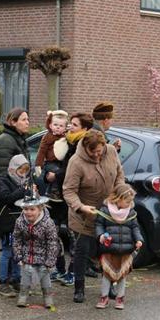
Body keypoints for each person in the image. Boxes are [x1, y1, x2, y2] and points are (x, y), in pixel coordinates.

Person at [63, 129, 125, 303]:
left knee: (108, 251)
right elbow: (69, 191)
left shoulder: (111, 151)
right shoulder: (76, 162)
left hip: (108, 213)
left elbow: (119, 174)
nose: (97, 155)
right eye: (93, 152)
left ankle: (109, 286)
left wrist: (119, 193)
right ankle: (79, 288)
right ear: (86, 148)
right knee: (82, 252)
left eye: (100, 150)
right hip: (84, 216)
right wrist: (81, 207)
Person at [51, 112, 94, 287]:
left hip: (74, 198)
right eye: (71, 123)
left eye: (75, 125)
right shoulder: (69, 141)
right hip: (59, 196)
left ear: (85, 128)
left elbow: (72, 170)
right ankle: (60, 269)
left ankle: (72, 272)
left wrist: (55, 175)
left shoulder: (83, 145)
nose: (70, 127)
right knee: (54, 234)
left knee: (74, 237)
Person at [94, 184, 143, 310]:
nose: (129, 203)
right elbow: (99, 224)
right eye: (127, 201)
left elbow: (135, 228)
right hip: (108, 248)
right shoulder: (105, 210)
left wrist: (139, 239)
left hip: (125, 249)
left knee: (122, 275)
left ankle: (120, 298)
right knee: (106, 274)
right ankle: (104, 297)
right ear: (118, 198)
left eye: (131, 201)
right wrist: (100, 235)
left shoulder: (131, 212)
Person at [12, 193, 60, 308]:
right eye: (26, 209)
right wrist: (18, 255)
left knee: (45, 279)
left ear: (40, 209)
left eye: (32, 209)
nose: (28, 212)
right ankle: (22, 297)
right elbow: (16, 239)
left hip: (43, 257)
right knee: (25, 278)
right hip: (26, 255)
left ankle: (48, 298)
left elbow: (52, 242)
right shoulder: (20, 221)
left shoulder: (48, 223)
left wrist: (50, 261)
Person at [0, 154, 31, 297]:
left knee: (18, 252)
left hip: (21, 222)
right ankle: (3, 282)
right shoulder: (3, 180)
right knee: (7, 252)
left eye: (25, 171)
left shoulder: (24, 182)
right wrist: (22, 191)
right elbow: (6, 198)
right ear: (13, 169)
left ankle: (16, 279)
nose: (23, 174)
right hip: (8, 222)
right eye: (21, 171)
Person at [35, 110, 69, 201]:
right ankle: (54, 192)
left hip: (61, 163)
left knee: (59, 173)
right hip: (50, 163)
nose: (58, 127)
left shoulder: (66, 137)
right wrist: (38, 164)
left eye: (61, 126)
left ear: (65, 128)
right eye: (55, 125)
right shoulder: (47, 137)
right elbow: (41, 151)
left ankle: (49, 193)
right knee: (57, 173)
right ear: (50, 125)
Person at [0, 108, 30, 176]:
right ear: (13, 122)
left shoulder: (21, 139)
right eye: (23, 120)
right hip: (11, 182)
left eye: (27, 119)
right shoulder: (5, 140)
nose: (27, 122)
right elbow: (3, 171)